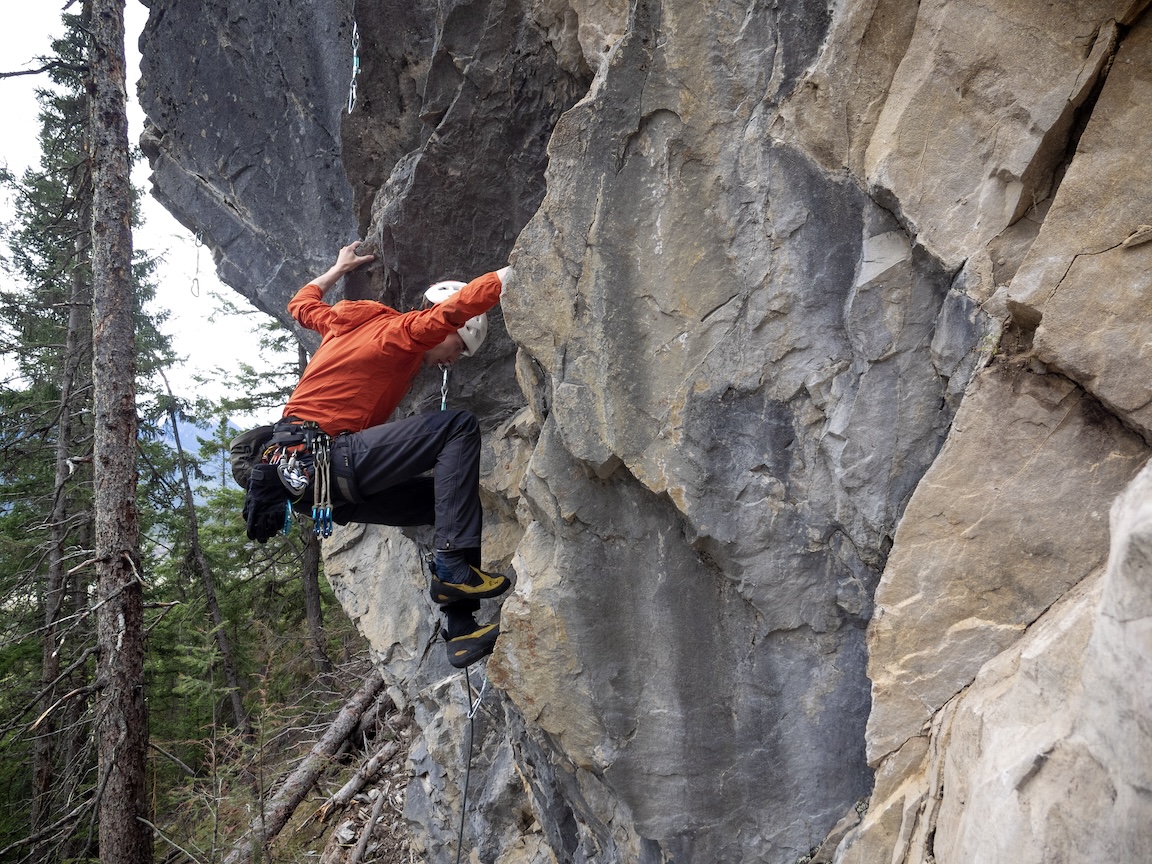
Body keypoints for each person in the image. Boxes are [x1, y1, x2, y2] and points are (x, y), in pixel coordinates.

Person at [279, 241, 511, 667]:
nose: (451, 362)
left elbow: (301, 303)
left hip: (314, 483)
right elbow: (447, 313)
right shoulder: (398, 333)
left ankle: (461, 632)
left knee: (447, 502)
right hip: (321, 458)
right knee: (457, 426)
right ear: (448, 332)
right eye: (458, 349)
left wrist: (336, 270)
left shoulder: (342, 325)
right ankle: (455, 572)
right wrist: (511, 275)